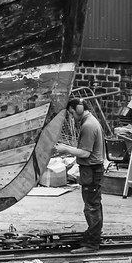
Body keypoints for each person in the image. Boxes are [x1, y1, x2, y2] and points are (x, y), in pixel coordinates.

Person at [54, 98, 105, 254]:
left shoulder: (88, 126)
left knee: (91, 207)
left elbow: (85, 152)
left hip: (91, 170)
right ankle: (94, 236)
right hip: (92, 169)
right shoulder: (91, 121)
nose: (72, 116)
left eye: (71, 113)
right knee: (94, 204)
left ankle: (91, 244)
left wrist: (65, 149)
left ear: (79, 110)